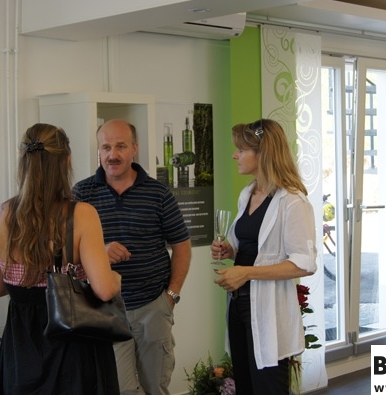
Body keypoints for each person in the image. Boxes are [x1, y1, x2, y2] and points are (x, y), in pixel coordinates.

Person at [0, 123, 122, 395]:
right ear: (66, 161)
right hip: (73, 350)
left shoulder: (0, 215)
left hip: (21, 351)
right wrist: (115, 277)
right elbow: (105, 289)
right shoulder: (81, 214)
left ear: (23, 161)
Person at [72, 119, 192, 395]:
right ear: (99, 151)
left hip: (153, 307)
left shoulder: (158, 193)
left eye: (121, 146)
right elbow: (66, 251)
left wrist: (171, 296)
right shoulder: (82, 193)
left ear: (134, 149)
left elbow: (182, 245)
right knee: (119, 389)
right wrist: (99, 250)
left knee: (155, 387)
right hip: (105, 310)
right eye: (106, 147)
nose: (112, 155)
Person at [211, 118, 317, 395]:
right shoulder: (247, 194)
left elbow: (304, 263)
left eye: (241, 150)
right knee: (245, 385)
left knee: (268, 387)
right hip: (238, 305)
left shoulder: (292, 201)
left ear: (263, 154)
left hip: (269, 310)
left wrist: (246, 272)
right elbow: (253, 248)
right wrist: (229, 250)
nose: (235, 155)